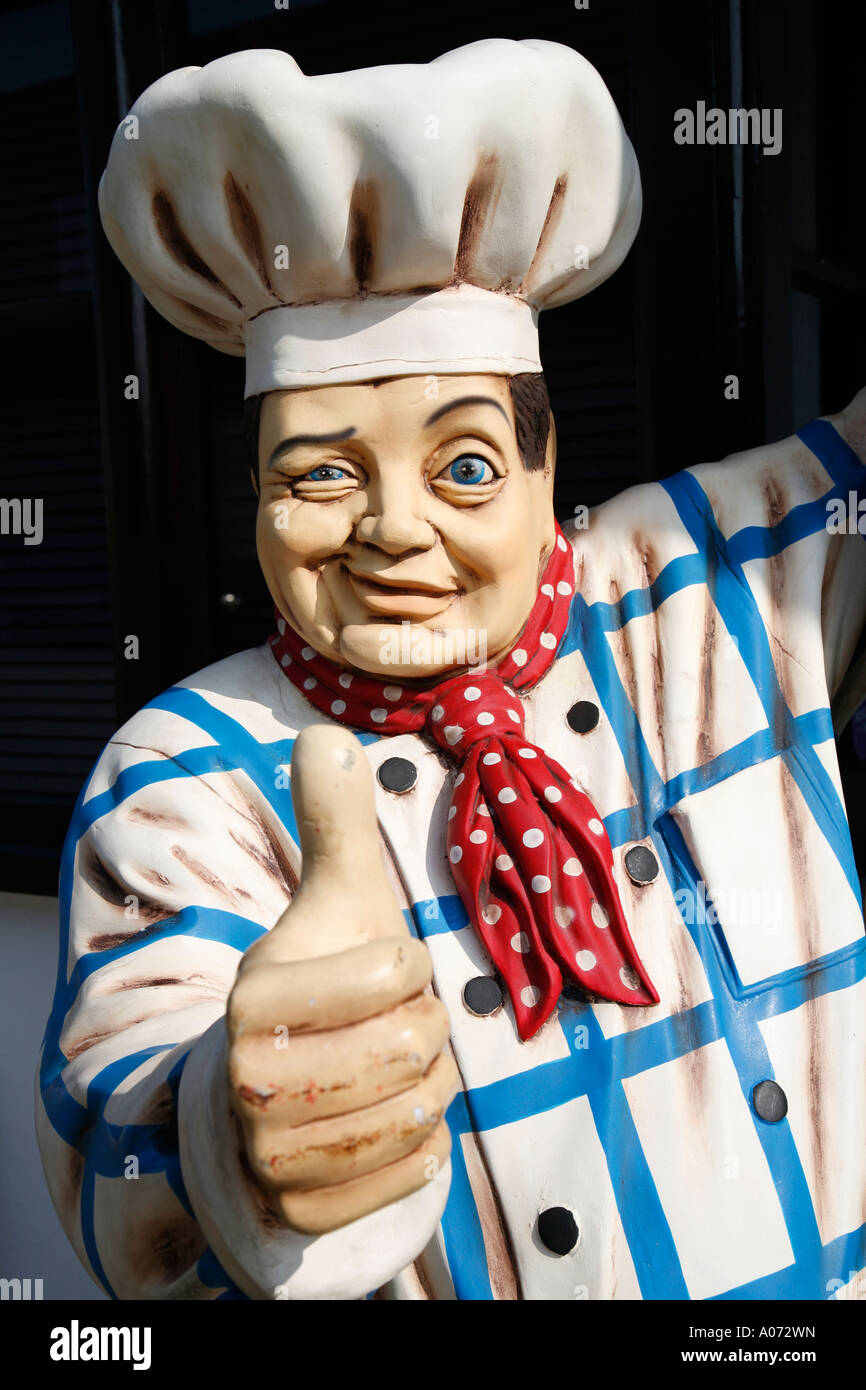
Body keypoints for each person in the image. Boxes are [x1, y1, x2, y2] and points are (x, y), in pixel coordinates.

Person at [37, 38, 866, 1301]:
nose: (391, 531)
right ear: (254, 498)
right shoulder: (182, 771)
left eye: (466, 466)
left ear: (546, 476)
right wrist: (227, 1123)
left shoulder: (697, 578)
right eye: (320, 473)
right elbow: (112, 1131)